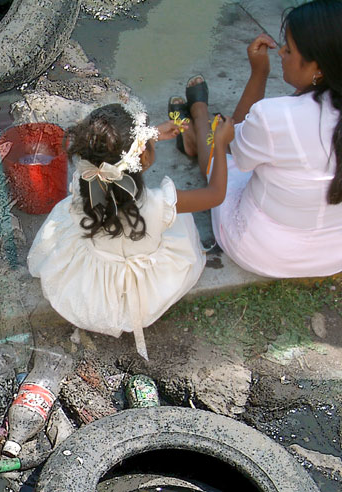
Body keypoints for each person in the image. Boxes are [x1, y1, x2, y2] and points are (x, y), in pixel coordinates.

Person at [27, 102, 233, 359]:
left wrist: (151, 135)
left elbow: (113, 157)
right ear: (143, 157)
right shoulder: (159, 204)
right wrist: (221, 145)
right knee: (180, 219)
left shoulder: (86, 181)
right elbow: (216, 195)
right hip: (147, 288)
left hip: (91, 281)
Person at [177, 0, 342, 278]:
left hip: (265, 252)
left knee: (223, 156)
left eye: (289, 49)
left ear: (319, 68)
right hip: (334, 254)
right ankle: (196, 132)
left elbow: (233, 146)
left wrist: (259, 73)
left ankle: (199, 116)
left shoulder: (274, 116)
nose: (282, 54)